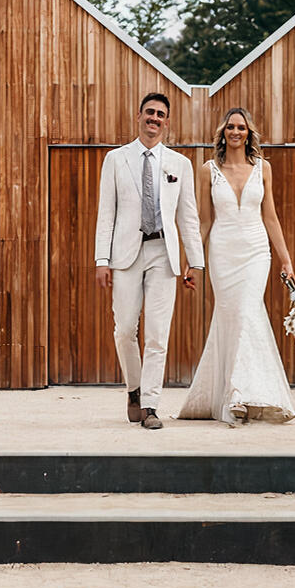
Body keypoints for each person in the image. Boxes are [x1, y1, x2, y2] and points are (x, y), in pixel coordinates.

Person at [178, 107, 295, 424]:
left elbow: (270, 217)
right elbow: (204, 221)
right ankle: (234, 394)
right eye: (230, 127)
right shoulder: (208, 170)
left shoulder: (263, 168)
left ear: (248, 133)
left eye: (241, 127)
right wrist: (192, 261)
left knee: (247, 310)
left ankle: (239, 394)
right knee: (232, 317)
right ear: (223, 132)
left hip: (256, 250)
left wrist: (285, 259)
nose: (235, 131)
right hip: (223, 251)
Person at [94, 92, 204, 430]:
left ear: (167, 122)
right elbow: (106, 213)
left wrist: (195, 262)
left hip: (163, 254)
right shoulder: (116, 159)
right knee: (124, 329)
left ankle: (152, 406)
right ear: (138, 116)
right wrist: (102, 258)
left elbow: (188, 216)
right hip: (126, 254)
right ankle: (134, 389)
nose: (154, 118)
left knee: (158, 333)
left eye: (160, 114)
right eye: (149, 113)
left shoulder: (179, 164)